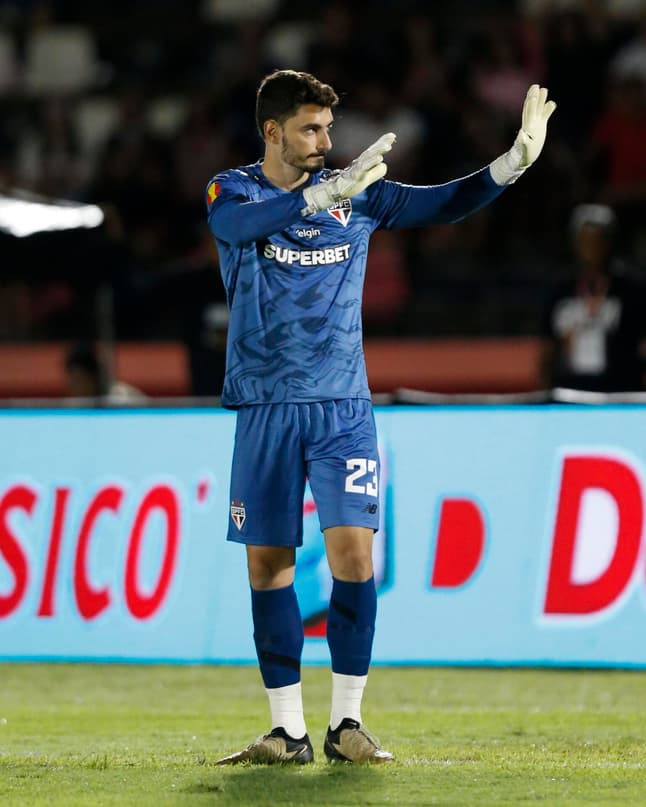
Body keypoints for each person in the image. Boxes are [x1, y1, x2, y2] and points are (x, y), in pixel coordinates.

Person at [206, 70, 555, 765]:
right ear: (272, 131)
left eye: (328, 129)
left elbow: (444, 203)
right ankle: (286, 730)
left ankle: (346, 724)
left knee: (354, 555)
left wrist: (510, 165)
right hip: (266, 406)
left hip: (343, 407)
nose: (326, 142)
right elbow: (233, 226)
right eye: (311, 129)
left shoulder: (355, 194)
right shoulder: (234, 188)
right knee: (270, 563)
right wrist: (316, 196)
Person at [540, 204, 646, 393]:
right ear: (575, 243)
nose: (592, 248)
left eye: (599, 240)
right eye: (586, 240)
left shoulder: (631, 290)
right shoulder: (560, 291)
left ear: (611, 242)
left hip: (619, 393)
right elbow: (547, 349)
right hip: (569, 394)